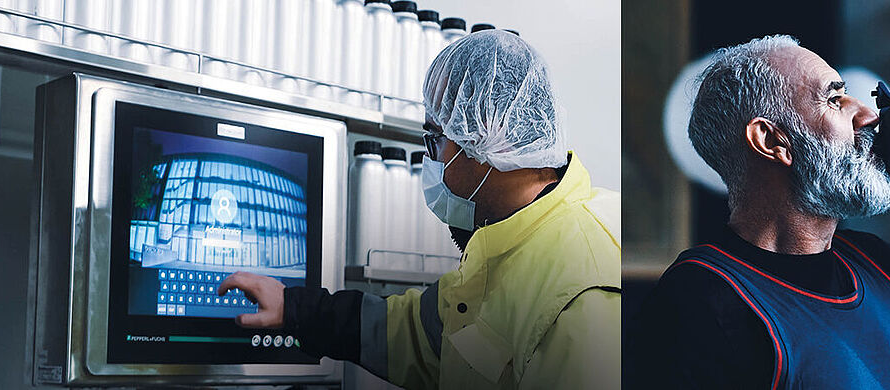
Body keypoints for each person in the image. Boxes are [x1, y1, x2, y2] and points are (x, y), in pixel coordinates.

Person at [631, 35, 890, 389]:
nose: (869, 115)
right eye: (834, 99)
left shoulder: (873, 264)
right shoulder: (700, 302)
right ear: (771, 140)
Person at [220, 30, 621, 389]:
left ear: (485, 139)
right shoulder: (508, 243)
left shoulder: (581, 297)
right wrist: (295, 309)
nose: (430, 160)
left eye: (435, 139)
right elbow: (418, 334)